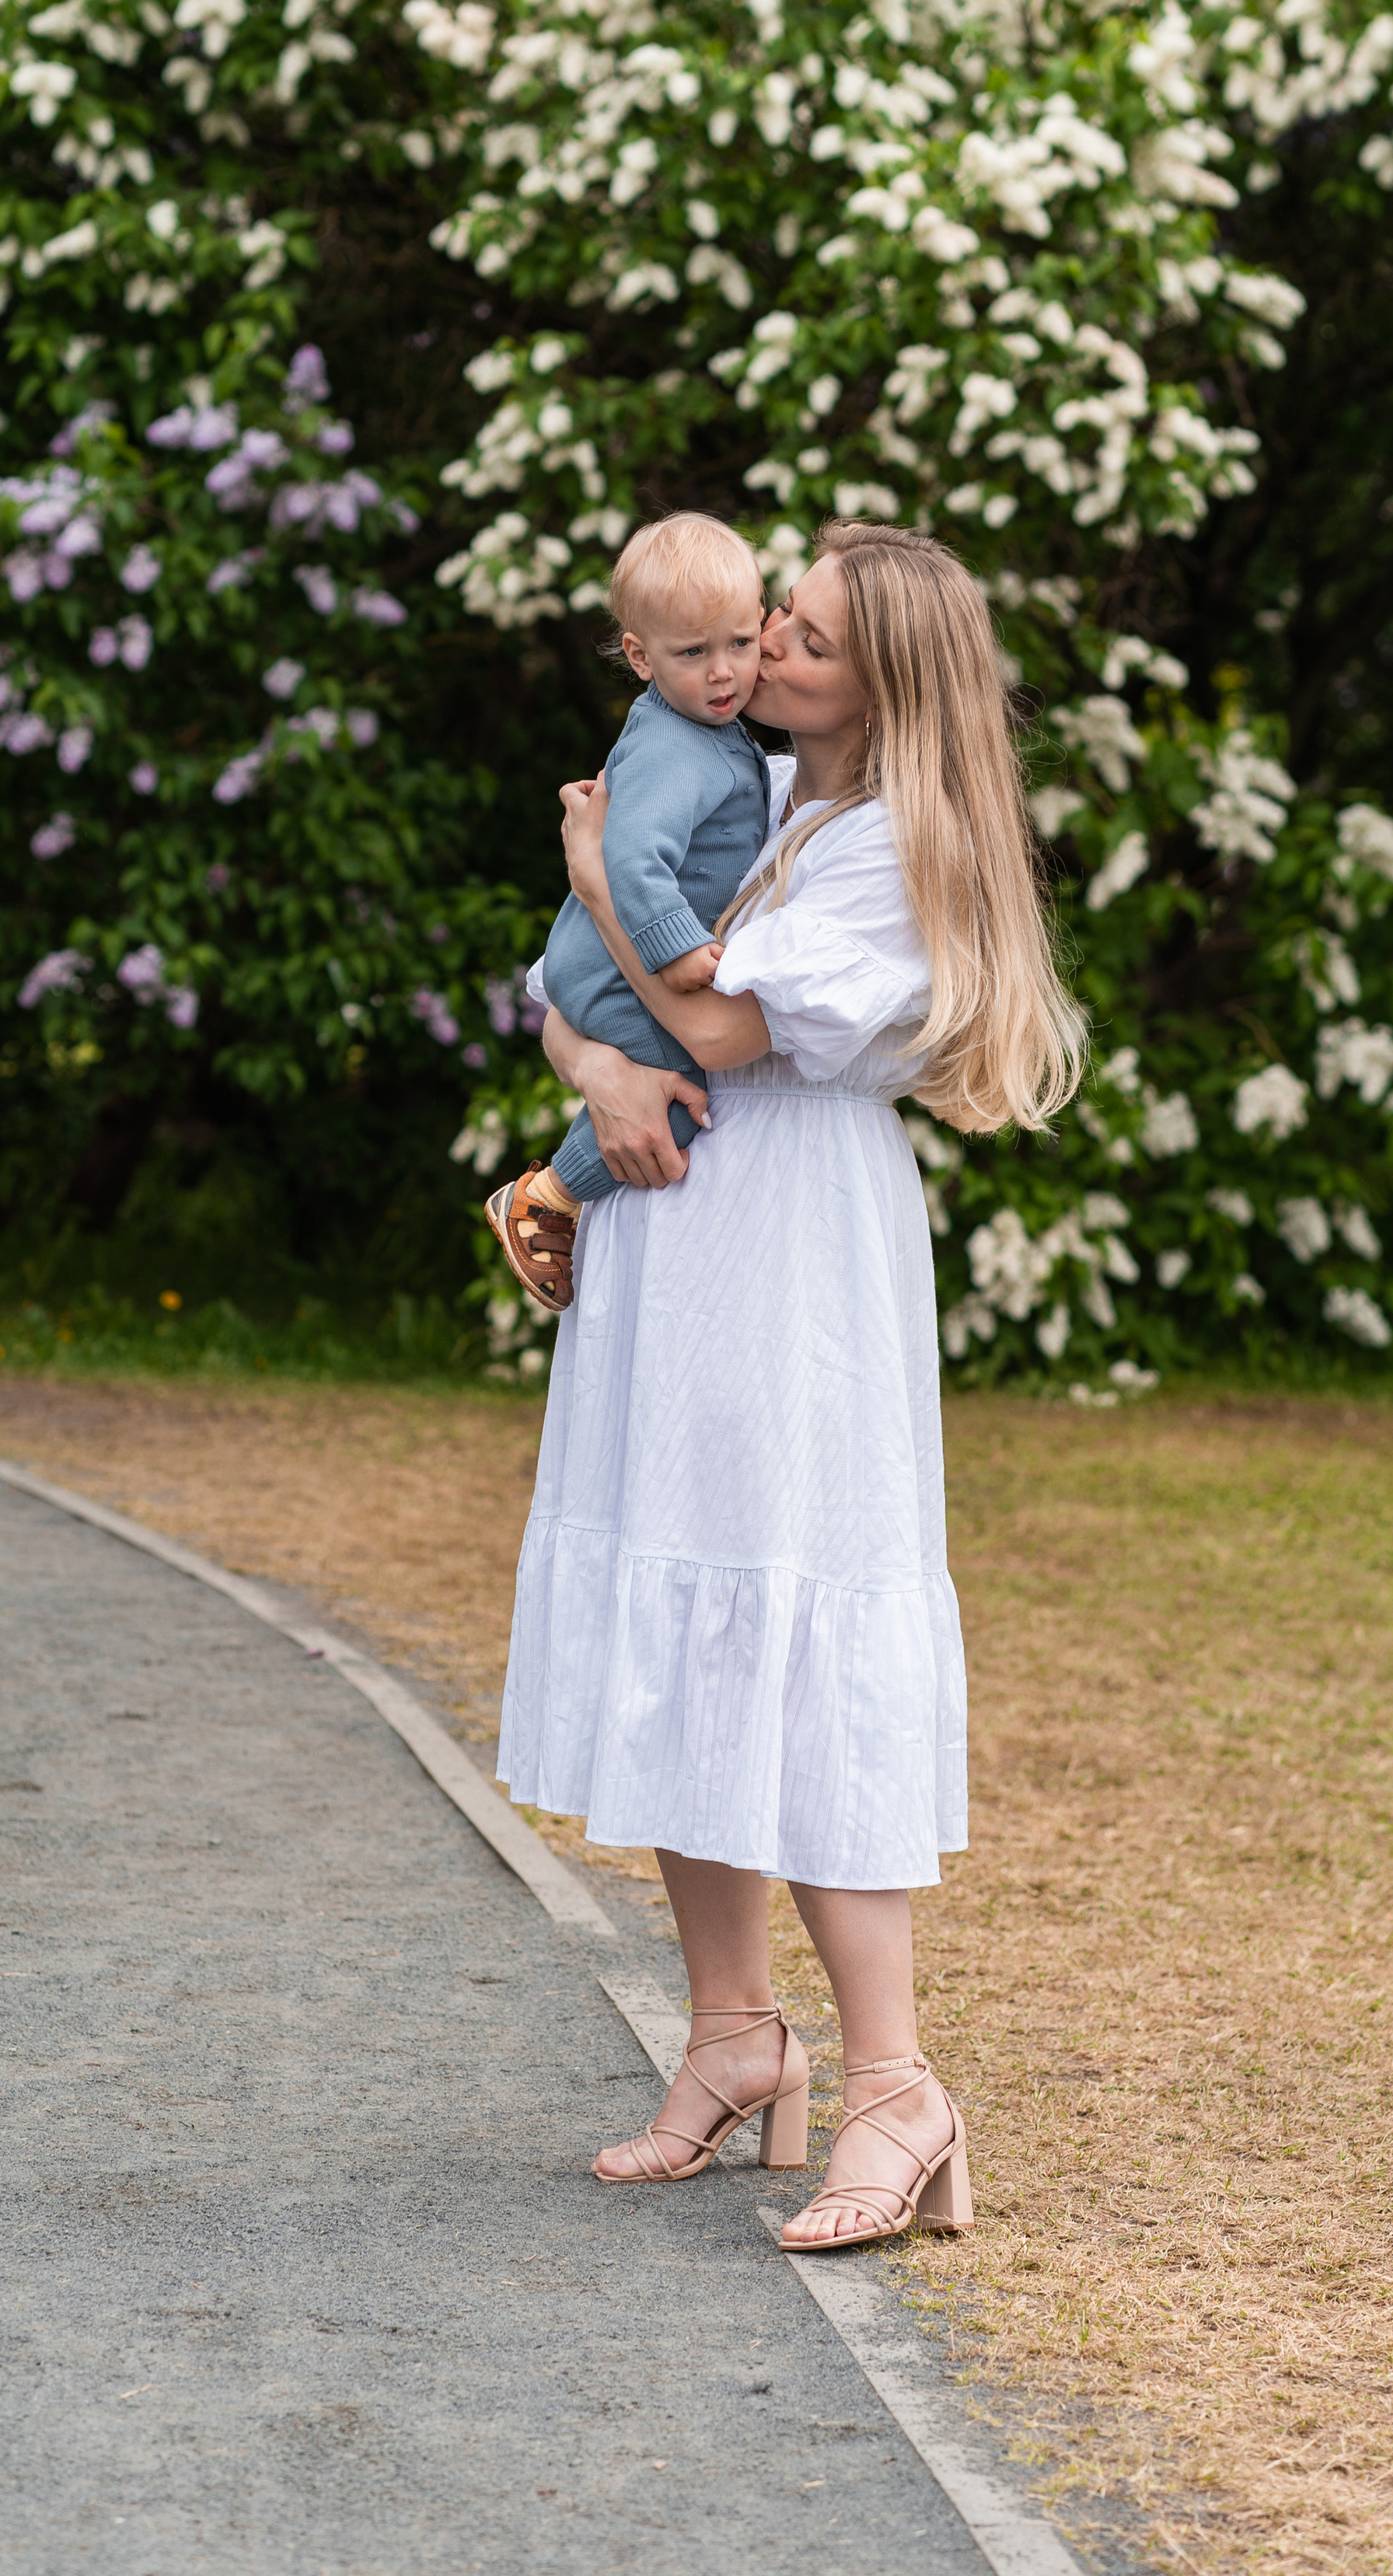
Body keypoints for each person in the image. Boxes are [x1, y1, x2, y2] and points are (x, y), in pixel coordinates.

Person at [498, 518, 1087, 2252]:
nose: (769, 647)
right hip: (682, 1232)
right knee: (697, 1635)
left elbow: (734, 1035)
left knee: (802, 1631)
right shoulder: (752, 792)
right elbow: (581, 991)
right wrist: (589, 1060)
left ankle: (897, 2083)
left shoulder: (902, 844)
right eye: (772, 620)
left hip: (793, 1261)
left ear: (890, 676)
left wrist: (598, 881)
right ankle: (735, 2040)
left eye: (811, 635)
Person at [484, 512, 770, 1315]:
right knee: (672, 1098)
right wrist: (676, 948)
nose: (724, 674)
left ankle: (553, 1193)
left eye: (741, 644)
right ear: (640, 655)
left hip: (611, 957)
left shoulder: (702, 733)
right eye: (693, 653)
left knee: (670, 1089)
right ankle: (546, 1199)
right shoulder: (674, 748)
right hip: (613, 965)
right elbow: (630, 858)